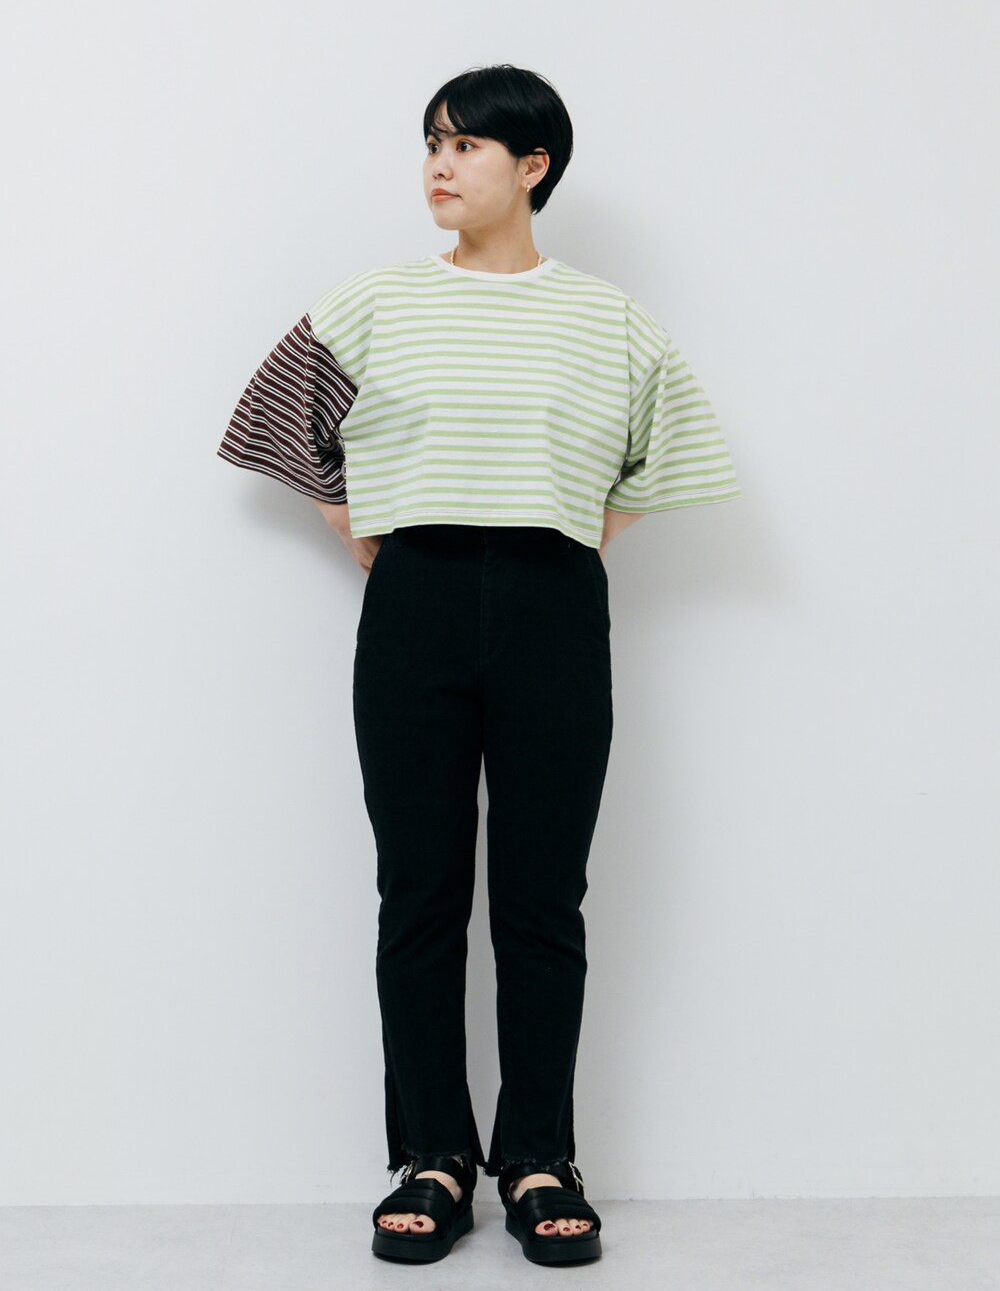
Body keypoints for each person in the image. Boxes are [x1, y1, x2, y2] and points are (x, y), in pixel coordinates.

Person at [217, 63, 742, 1266]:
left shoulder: (607, 319)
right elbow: (273, 416)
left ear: (533, 165)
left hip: (555, 602)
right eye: (431, 143)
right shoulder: (373, 302)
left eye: (465, 145)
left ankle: (541, 1156)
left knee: (542, 898)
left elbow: (668, 453)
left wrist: (573, 530)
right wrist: (351, 518)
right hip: (415, 602)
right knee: (420, 892)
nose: (439, 166)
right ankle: (433, 1156)